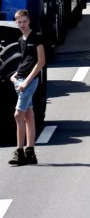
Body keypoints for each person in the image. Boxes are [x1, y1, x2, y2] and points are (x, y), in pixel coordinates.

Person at [8, 10, 45, 165]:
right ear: (16, 23)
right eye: (19, 22)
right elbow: (25, 61)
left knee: (18, 115)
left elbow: (40, 62)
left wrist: (26, 82)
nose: (22, 24)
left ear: (29, 20)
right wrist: (14, 76)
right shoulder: (21, 39)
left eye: (24, 21)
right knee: (28, 116)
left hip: (29, 82)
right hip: (20, 80)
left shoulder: (37, 37)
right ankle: (31, 153)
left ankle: (19, 152)